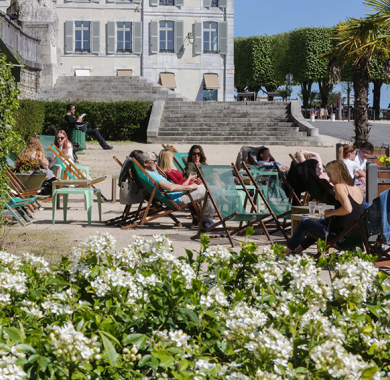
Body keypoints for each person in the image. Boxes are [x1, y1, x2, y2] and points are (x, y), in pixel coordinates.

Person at [284, 160, 364, 255]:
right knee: (320, 221)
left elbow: (348, 209)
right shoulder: (355, 187)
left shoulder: (339, 186)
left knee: (304, 222)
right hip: (354, 236)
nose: (329, 180)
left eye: (330, 176)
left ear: (335, 174)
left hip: (341, 238)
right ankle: (297, 251)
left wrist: (331, 212)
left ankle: (285, 253)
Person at [140, 152, 215, 228]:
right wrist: (190, 187)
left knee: (208, 187)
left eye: (156, 161)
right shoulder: (150, 175)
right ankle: (206, 222)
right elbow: (170, 188)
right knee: (211, 190)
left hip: (177, 195)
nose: (156, 163)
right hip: (176, 199)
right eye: (154, 161)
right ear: (145, 163)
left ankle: (204, 219)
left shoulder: (146, 174)